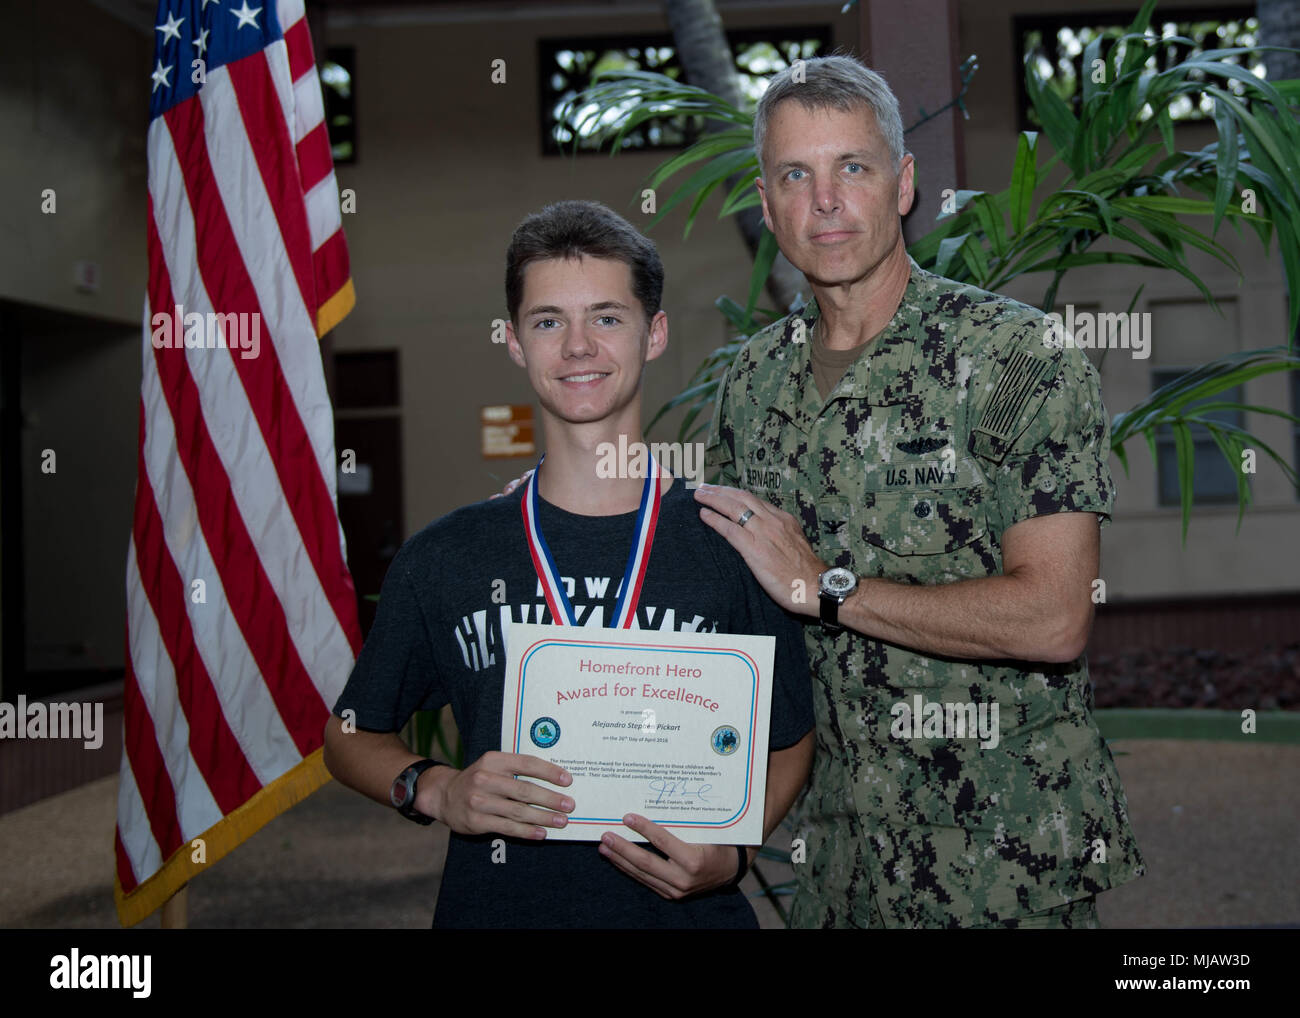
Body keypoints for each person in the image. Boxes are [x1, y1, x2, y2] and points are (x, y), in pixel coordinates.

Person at [692, 55, 1144, 928]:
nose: (825, 201)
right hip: (833, 873)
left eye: (851, 168)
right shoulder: (750, 384)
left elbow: (1054, 618)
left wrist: (827, 588)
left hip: (1000, 871)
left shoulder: (1017, 357)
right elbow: (743, 625)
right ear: (766, 199)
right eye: (797, 174)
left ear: (902, 185)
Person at [323, 199, 814, 929]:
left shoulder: (732, 540)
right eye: (548, 321)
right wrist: (435, 790)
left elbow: (792, 736)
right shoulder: (448, 555)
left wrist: (737, 852)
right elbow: (350, 734)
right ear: (516, 343)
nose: (578, 346)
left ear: (655, 335)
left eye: (608, 317)